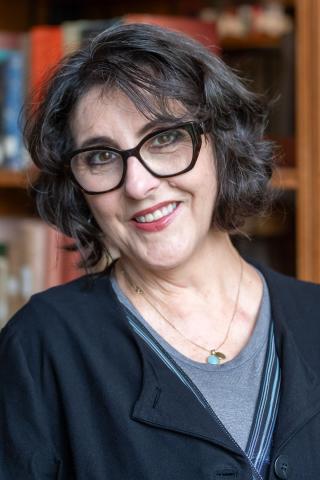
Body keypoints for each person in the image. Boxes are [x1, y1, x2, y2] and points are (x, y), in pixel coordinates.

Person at [0, 22, 320, 480]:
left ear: (222, 143)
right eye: (101, 156)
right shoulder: (41, 347)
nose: (138, 184)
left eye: (165, 137)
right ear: (78, 187)